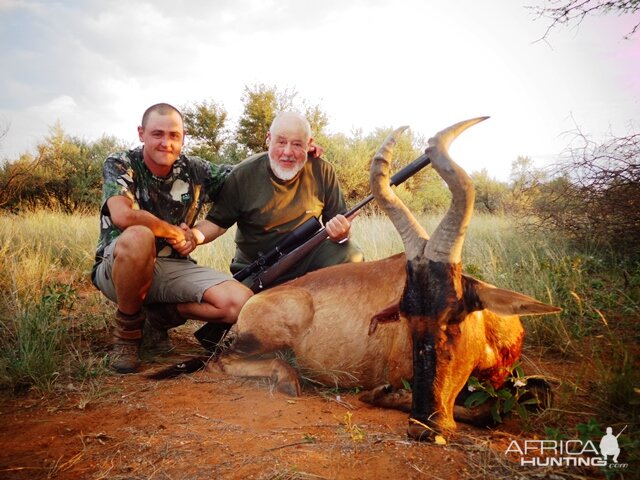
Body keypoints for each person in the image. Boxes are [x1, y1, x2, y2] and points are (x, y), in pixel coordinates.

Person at [91, 103, 253, 374]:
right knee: (139, 236)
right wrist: (174, 232)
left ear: (183, 137)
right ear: (141, 134)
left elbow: (245, 173)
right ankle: (128, 334)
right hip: (120, 264)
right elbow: (122, 215)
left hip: (173, 267)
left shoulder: (195, 169)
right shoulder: (120, 162)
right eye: (157, 134)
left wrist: (291, 151)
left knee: (240, 303)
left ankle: (159, 318)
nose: (166, 142)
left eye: (173, 135)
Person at [203, 111, 364, 287]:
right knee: (241, 306)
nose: (287, 152)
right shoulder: (243, 174)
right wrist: (191, 237)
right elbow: (217, 224)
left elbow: (340, 226)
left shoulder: (323, 170)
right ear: (268, 139)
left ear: (309, 144)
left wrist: (342, 233)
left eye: (297, 144)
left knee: (351, 254)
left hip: (305, 257)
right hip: (256, 266)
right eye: (281, 142)